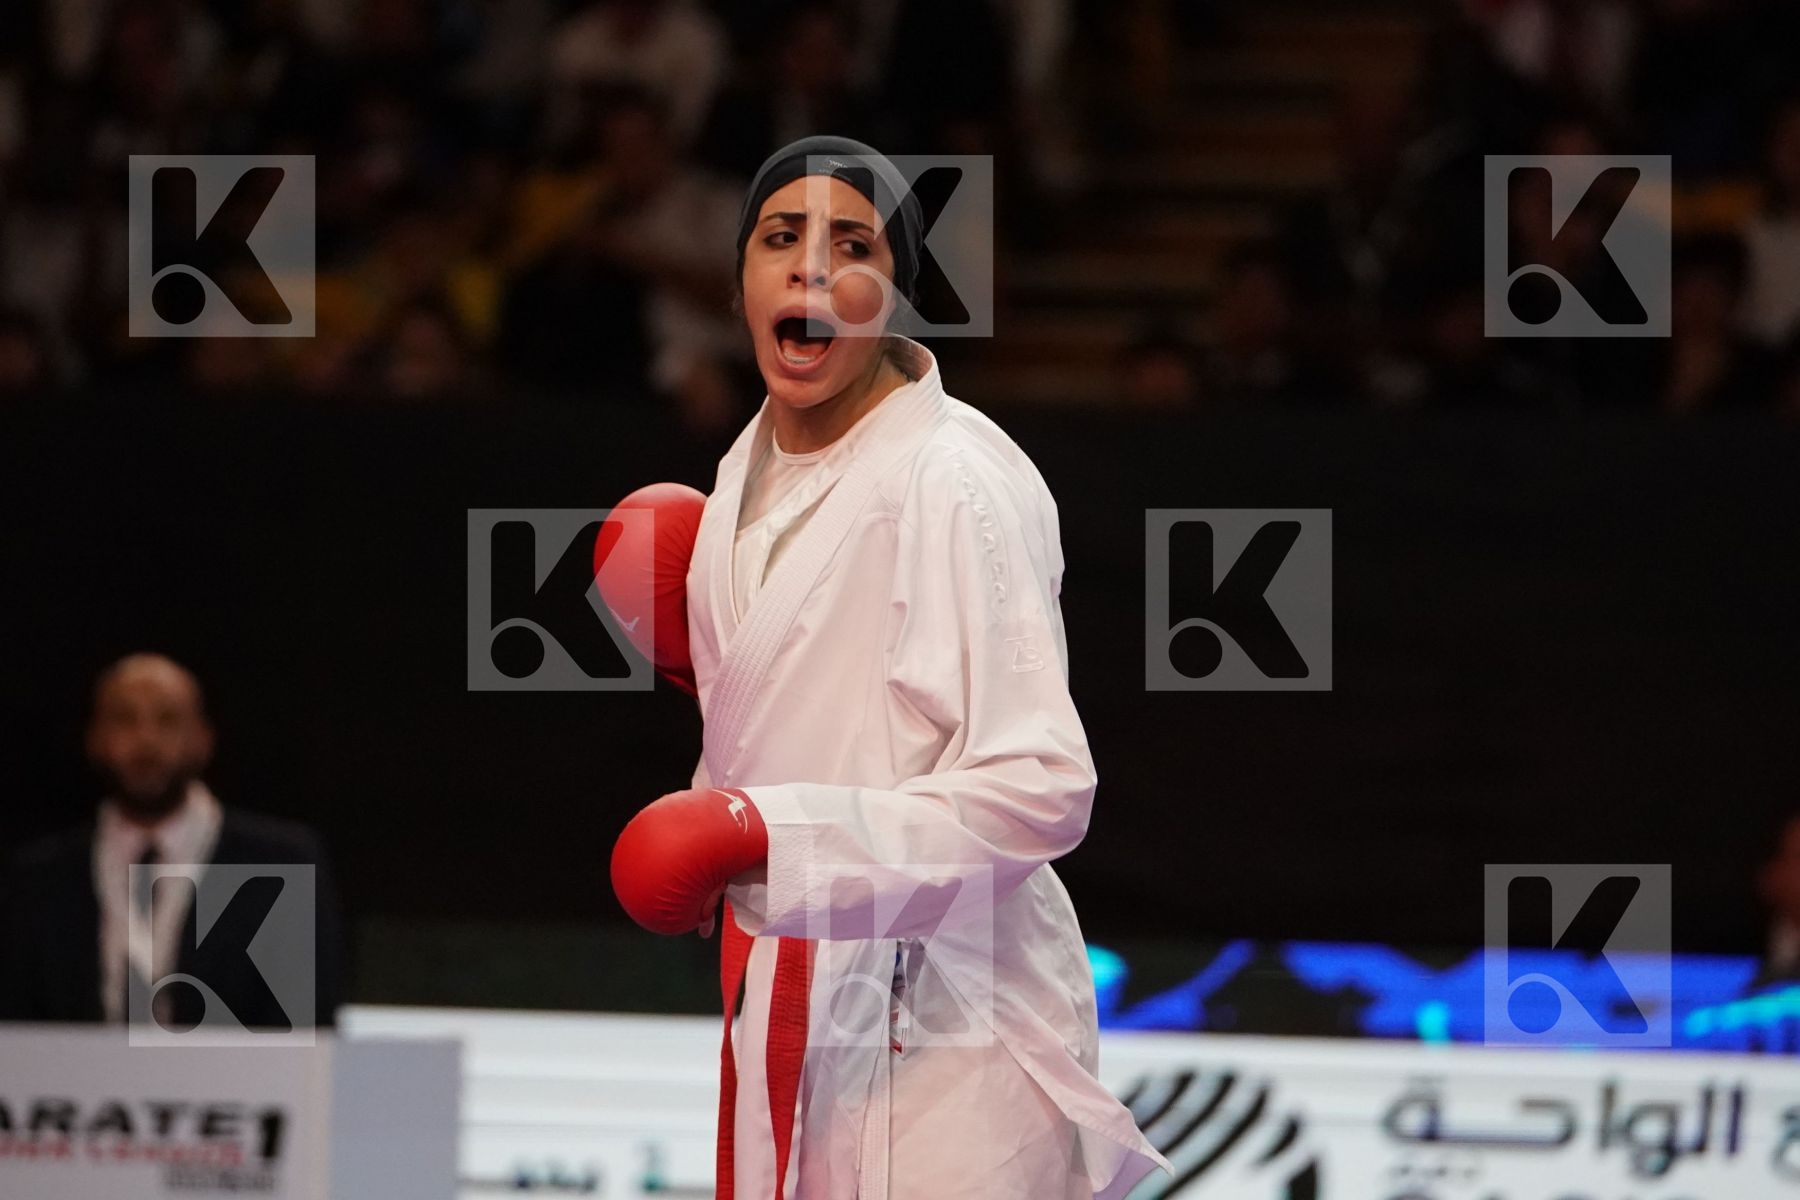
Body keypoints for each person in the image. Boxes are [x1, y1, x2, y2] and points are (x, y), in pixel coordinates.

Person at [607, 136, 1168, 1199]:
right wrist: (721, 807)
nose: (812, 269)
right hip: (794, 996)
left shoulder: (953, 478)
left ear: (895, 295)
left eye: (852, 244)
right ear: (739, 285)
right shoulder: (741, 479)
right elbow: (801, 735)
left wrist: (758, 834)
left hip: (950, 1019)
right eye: (782, 238)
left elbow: (1041, 788)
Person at [0, 654, 344, 1028]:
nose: (145, 740)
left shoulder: (278, 864)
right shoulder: (42, 876)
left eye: (167, 720)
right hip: (74, 1084)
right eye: (124, 719)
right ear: (95, 738)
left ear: (203, 739)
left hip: (234, 1083)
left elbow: (306, 1024)